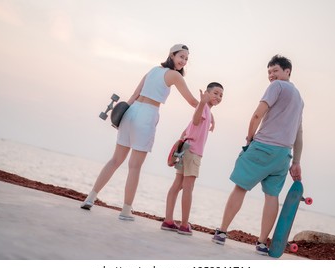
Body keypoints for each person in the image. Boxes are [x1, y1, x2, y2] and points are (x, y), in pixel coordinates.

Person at [80, 44, 199, 221]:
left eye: (186, 58)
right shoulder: (174, 75)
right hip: (147, 114)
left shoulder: (153, 70)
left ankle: (91, 197)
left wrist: (121, 117)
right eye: (181, 56)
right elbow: (191, 101)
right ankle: (126, 210)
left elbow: (134, 94)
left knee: (115, 160)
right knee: (134, 166)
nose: (183, 61)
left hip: (131, 111)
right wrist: (206, 109)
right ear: (172, 55)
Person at [212, 55, 304, 255]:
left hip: (263, 146)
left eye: (275, 71)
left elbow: (257, 114)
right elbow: (299, 133)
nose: (271, 75)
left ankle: (222, 231)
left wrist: (250, 138)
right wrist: (296, 161)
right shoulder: (299, 99)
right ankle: (262, 243)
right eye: (269, 72)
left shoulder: (277, 87)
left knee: (240, 187)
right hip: (283, 155)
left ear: (287, 72)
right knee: (272, 197)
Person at [161, 82, 224, 235]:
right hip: (193, 152)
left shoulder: (207, 111)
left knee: (177, 185)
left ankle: (168, 221)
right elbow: (196, 120)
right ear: (207, 93)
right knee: (188, 188)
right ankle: (184, 225)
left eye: (221, 95)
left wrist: (211, 117)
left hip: (186, 149)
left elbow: (188, 128)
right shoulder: (203, 108)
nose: (218, 97)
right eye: (215, 93)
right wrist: (202, 103)